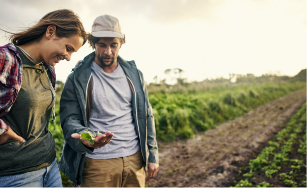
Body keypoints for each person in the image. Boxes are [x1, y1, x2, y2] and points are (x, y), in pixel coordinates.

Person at [58, 14, 159, 187]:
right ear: (92, 43)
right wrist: (86, 137)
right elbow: (69, 119)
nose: (107, 51)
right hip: (97, 163)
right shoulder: (77, 78)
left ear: (121, 43)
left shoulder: (135, 75)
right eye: (101, 45)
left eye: (114, 45)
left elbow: (146, 115)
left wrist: (152, 155)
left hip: (135, 159)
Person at [0, 9, 87, 187]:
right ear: (50, 31)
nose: (68, 57)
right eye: (68, 48)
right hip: (15, 175)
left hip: (50, 167)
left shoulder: (48, 69)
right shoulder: (6, 58)